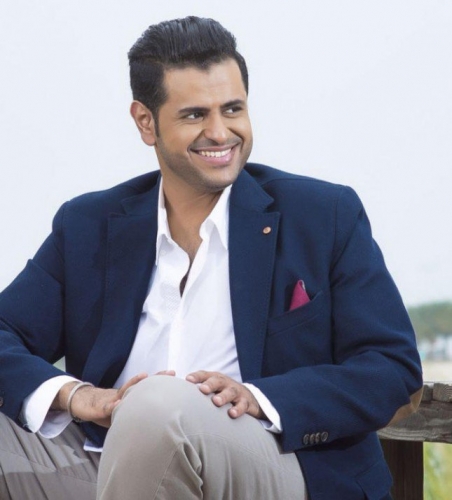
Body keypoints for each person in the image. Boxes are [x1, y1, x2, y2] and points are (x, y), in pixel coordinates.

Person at [0, 16, 422, 500]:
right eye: (195, 115)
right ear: (145, 122)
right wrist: (77, 396)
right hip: (105, 461)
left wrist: (261, 399)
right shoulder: (87, 225)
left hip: (273, 461)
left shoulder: (324, 214)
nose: (220, 133)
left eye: (233, 109)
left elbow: (392, 369)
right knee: (139, 411)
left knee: (157, 405)